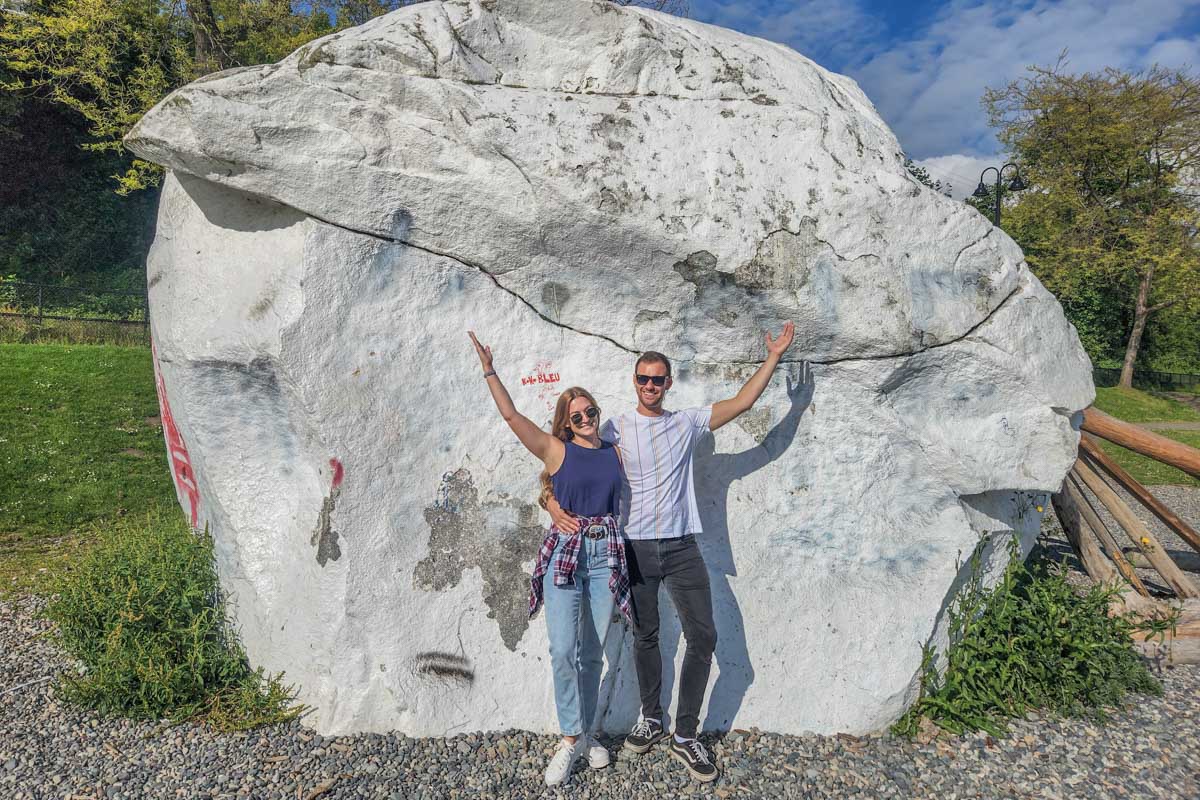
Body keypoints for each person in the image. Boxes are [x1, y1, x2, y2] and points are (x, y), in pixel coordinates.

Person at [549, 323, 796, 783]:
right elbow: (562, 462)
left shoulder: (687, 423)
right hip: (635, 548)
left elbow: (742, 403)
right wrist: (549, 501)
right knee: (645, 636)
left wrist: (774, 357)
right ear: (634, 381)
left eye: (657, 379)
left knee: (703, 636)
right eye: (643, 378)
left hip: (683, 547)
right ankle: (651, 718)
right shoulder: (613, 428)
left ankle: (685, 734)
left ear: (668, 383)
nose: (650, 385)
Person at [468, 331, 634, 787]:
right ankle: (569, 738)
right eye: (576, 415)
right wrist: (489, 370)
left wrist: (550, 501)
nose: (585, 418)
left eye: (590, 411)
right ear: (566, 422)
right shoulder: (557, 449)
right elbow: (511, 416)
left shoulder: (615, 453)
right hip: (566, 553)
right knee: (563, 650)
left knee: (593, 654)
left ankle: (587, 734)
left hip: (606, 554)